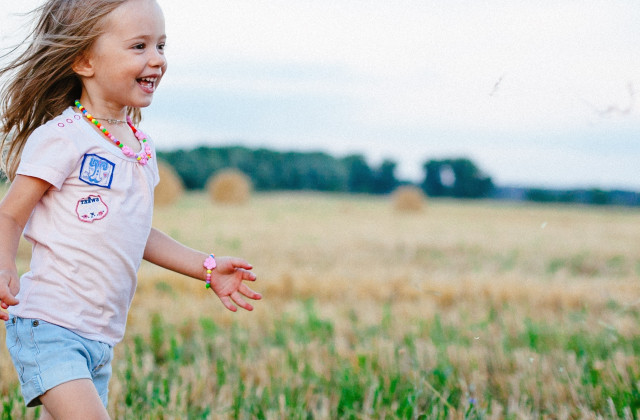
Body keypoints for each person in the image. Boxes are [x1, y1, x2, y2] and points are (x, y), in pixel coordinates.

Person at [0, 0, 262, 418]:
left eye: (161, 45)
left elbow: (137, 230)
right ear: (84, 60)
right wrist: (4, 264)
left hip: (101, 338)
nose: (157, 59)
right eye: (139, 46)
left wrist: (207, 268)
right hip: (49, 327)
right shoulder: (63, 137)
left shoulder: (140, 148)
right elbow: (10, 214)